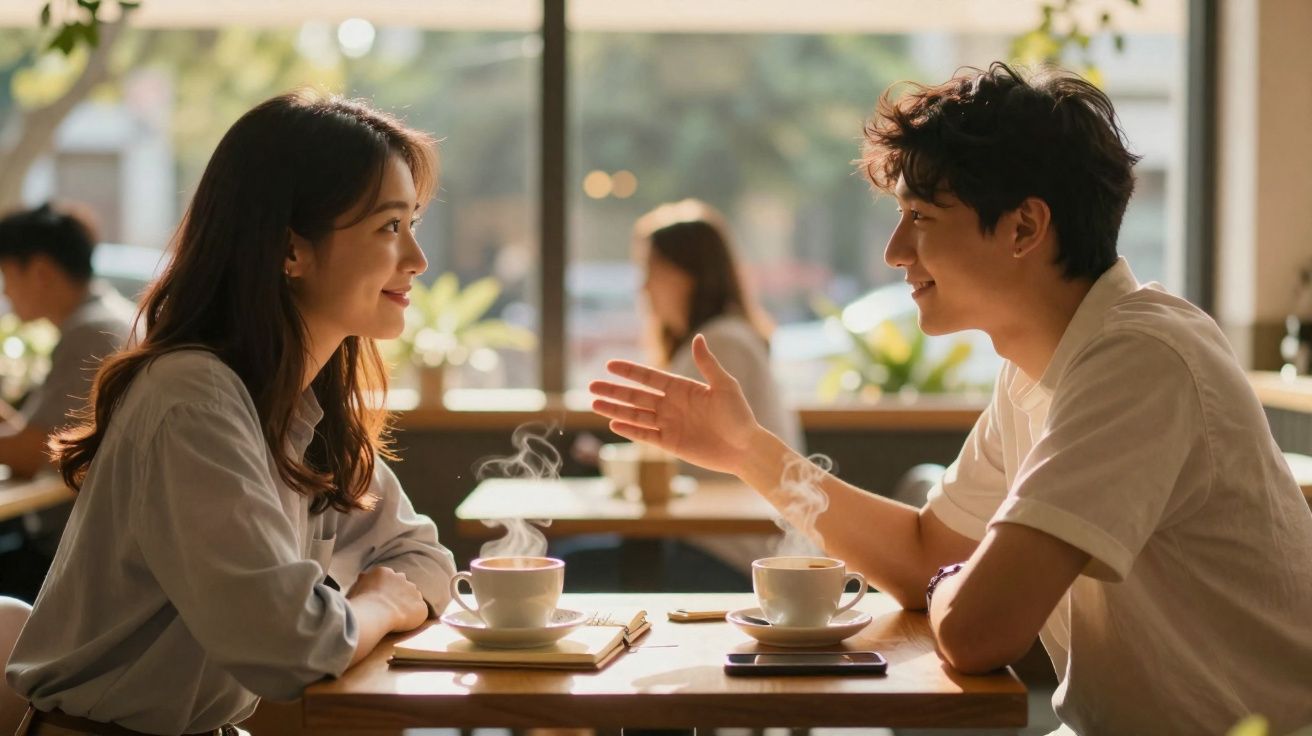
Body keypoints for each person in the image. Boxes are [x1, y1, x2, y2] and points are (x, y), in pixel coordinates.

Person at [590, 63, 1312, 735]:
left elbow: (977, 632)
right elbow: (924, 552)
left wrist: (950, 585)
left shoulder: (1141, 360)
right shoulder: (1037, 368)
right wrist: (749, 451)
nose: (894, 252)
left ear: (1024, 227)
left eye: (921, 219)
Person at [6, 91, 457, 735]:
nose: (417, 259)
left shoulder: (296, 404)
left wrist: (369, 602)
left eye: (412, 223)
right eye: (390, 227)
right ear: (290, 249)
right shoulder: (193, 401)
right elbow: (292, 649)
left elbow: (426, 559)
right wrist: (380, 602)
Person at [634, 199, 807, 580]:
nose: (643, 286)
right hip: (717, 540)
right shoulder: (724, 337)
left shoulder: (719, 345)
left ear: (689, 275)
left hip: (734, 552)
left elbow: (691, 459)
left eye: (653, 270)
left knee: (570, 565)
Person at [0, 204, 136, 479]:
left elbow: (37, 451)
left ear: (40, 272)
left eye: (5, 275)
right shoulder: (114, 316)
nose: (5, 292)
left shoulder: (91, 332)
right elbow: (41, 434)